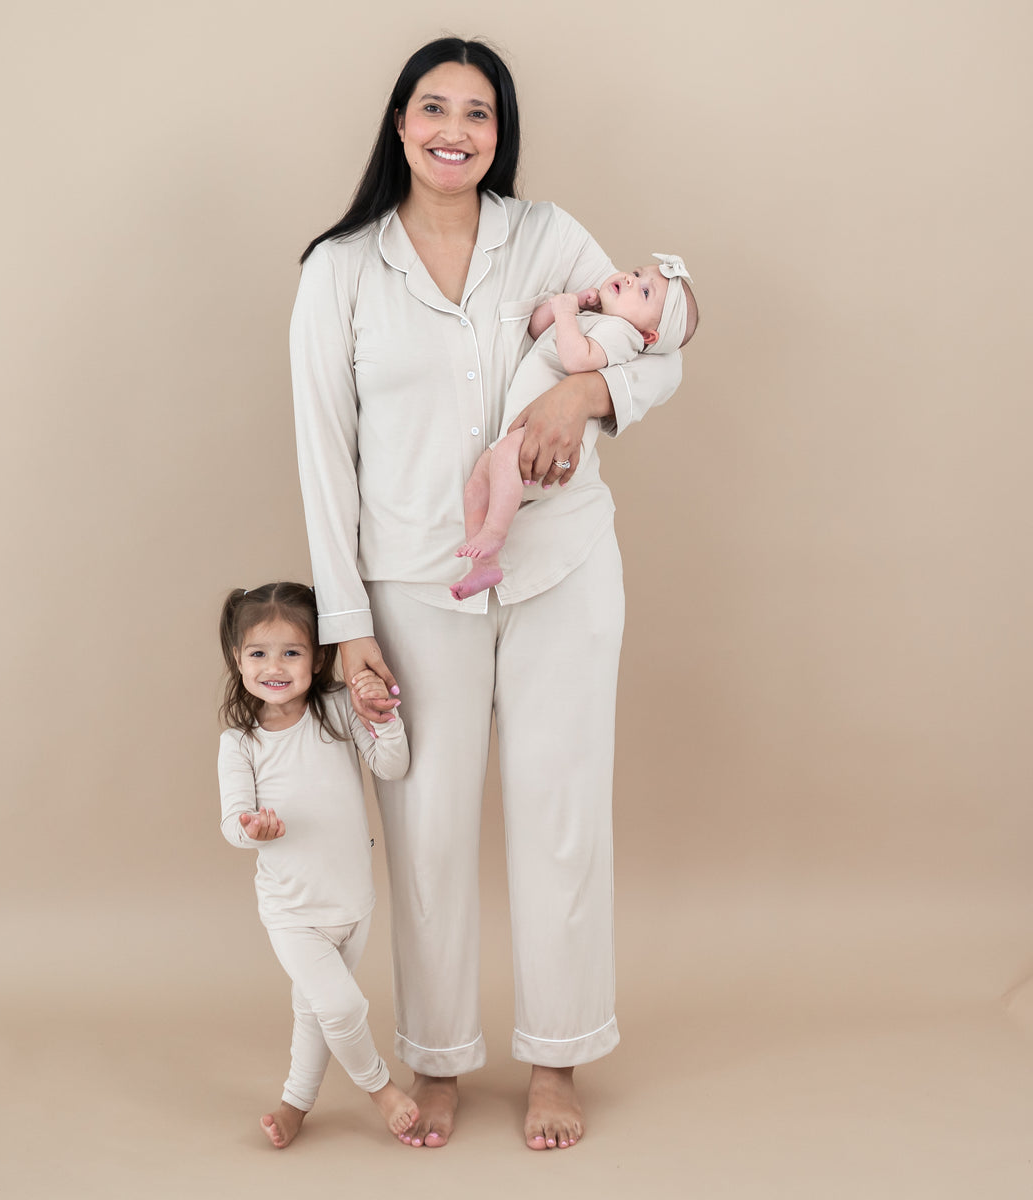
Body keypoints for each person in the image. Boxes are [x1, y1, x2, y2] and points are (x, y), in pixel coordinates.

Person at [290, 36, 683, 1151]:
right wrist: (345, 626)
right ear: (400, 124)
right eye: (434, 108)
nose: (454, 130)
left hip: (561, 564)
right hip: (412, 584)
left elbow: (663, 343)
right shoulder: (341, 270)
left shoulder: (549, 236)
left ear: (500, 134)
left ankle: (556, 1058)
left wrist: (587, 395)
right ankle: (440, 1058)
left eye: (479, 113)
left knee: (562, 818)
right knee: (427, 829)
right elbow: (324, 456)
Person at [216, 581, 418, 1148]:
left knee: (315, 1012)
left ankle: (295, 1103)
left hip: (354, 902)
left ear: (318, 656)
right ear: (238, 659)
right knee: (342, 1004)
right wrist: (253, 828)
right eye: (258, 653)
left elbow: (393, 765)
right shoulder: (241, 743)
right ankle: (380, 1090)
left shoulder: (333, 712)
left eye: (291, 652)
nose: (273, 667)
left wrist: (382, 716)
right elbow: (234, 821)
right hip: (293, 912)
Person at [453, 254, 699, 600]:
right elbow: (538, 331)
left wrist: (568, 313)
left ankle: (494, 531)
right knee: (476, 486)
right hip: (520, 437)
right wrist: (564, 308)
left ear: (649, 334)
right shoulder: (598, 321)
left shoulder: (622, 334)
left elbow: (576, 360)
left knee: (501, 460)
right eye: (636, 274)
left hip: (545, 448)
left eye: (645, 292)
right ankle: (485, 565)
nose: (630, 280)